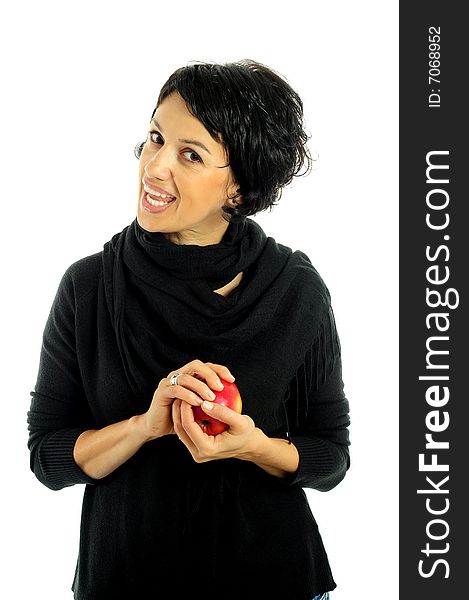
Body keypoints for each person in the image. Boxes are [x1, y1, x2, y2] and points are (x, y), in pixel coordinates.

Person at [27, 59, 350, 600]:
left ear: (239, 188)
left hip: (273, 579)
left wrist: (253, 446)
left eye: (190, 154)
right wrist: (144, 427)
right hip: (127, 581)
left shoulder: (296, 290)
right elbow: (47, 455)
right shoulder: (89, 288)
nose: (154, 166)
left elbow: (330, 457)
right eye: (155, 138)